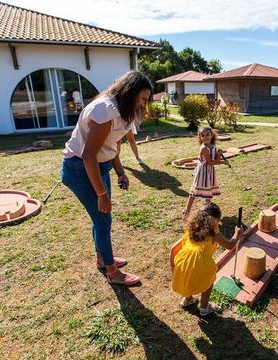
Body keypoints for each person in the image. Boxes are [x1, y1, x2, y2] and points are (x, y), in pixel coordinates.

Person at [61, 70, 153, 286]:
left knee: (103, 218)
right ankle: (113, 272)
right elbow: (89, 154)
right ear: (130, 92)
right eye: (142, 99)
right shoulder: (105, 110)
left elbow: (112, 148)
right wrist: (101, 194)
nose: (143, 105)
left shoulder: (123, 112)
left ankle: (103, 258)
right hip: (79, 169)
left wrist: (121, 172)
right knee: (102, 219)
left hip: (99, 167)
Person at [170, 203, 243, 316]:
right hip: (200, 263)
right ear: (214, 221)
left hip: (183, 262)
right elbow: (229, 245)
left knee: (189, 278)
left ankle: (188, 299)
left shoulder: (191, 228)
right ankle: (204, 308)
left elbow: (173, 249)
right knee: (208, 281)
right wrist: (237, 234)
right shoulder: (213, 233)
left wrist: (173, 267)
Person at [183, 127, 226, 221]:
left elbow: (215, 160)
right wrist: (223, 163)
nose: (205, 137)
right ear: (200, 137)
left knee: (208, 192)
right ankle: (186, 211)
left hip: (210, 171)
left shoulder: (213, 146)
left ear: (212, 135)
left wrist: (219, 154)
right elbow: (210, 162)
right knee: (194, 192)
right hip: (202, 172)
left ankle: (207, 213)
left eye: (207, 134)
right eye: (203, 135)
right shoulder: (203, 148)